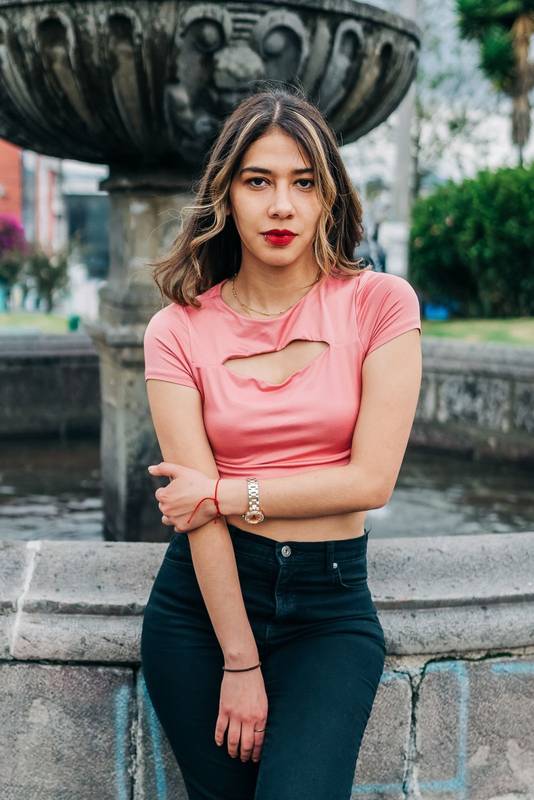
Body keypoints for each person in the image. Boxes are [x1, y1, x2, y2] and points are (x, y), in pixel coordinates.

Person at [141, 86, 422, 800]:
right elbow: (195, 515)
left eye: (304, 183)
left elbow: (370, 482)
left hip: (329, 611)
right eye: (258, 182)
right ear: (226, 195)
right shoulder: (176, 330)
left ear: (329, 197)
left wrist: (224, 493)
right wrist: (239, 661)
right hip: (202, 614)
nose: (281, 207)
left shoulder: (380, 304)